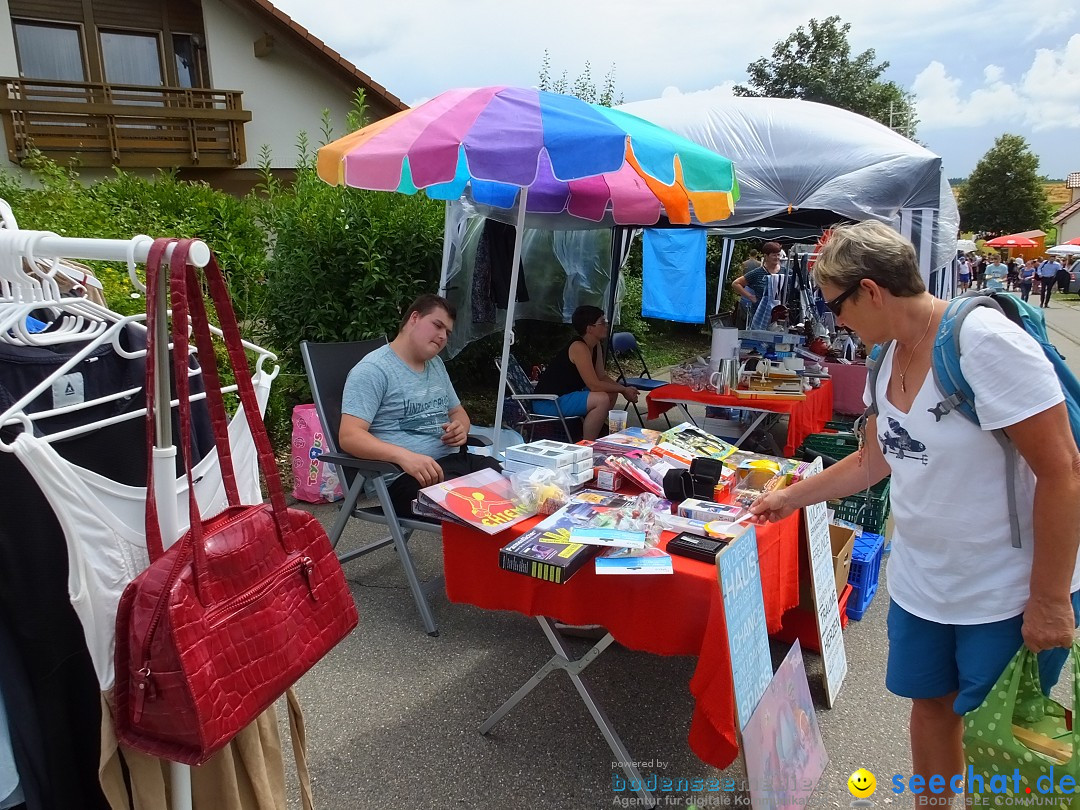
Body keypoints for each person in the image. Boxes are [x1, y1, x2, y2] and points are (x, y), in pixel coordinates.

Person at [750, 221, 1080, 808]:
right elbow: (872, 462)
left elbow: (1063, 471)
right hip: (925, 584)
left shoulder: (981, 341)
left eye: (835, 306)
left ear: (871, 291)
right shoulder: (884, 358)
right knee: (931, 712)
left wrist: (1051, 600)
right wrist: (789, 496)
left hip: (1005, 591)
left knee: (1004, 738)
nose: (834, 321)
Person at [338, 293, 500, 517]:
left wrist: (461, 427)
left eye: (447, 332)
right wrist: (403, 457)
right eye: (437, 325)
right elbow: (349, 436)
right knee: (483, 509)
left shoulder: (436, 366)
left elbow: (457, 412)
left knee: (511, 486)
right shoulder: (373, 371)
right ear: (414, 318)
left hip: (456, 463)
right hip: (407, 478)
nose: (443, 336)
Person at [533, 305, 638, 441]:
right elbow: (594, 385)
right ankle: (587, 445)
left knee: (611, 393)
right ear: (589, 328)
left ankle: (596, 429)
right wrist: (624, 389)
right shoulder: (579, 347)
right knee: (601, 399)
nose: (606, 325)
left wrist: (621, 389)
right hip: (549, 401)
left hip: (566, 396)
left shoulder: (596, 346)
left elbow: (602, 377)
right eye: (602, 322)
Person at [731, 242, 783, 326]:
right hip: (759, 315)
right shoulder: (757, 273)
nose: (777, 257)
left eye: (778, 254)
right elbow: (736, 284)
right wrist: (750, 297)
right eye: (774, 255)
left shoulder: (785, 272)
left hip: (780, 318)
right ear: (766, 256)